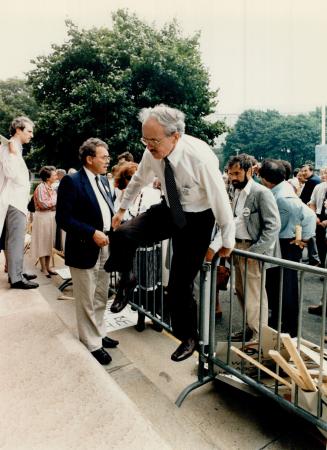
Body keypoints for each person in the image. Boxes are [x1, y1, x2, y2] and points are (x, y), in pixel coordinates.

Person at [104, 104, 235, 362]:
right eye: (145, 139)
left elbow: (221, 201)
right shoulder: (151, 151)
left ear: (175, 136)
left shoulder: (200, 158)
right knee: (121, 234)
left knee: (178, 285)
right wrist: (121, 210)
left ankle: (188, 337)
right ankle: (127, 280)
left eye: (154, 140)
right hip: (170, 208)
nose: (149, 145)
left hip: (198, 218)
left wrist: (226, 241)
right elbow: (139, 179)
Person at [56, 138, 118, 365]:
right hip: (84, 247)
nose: (108, 160)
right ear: (90, 159)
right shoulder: (72, 182)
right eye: (104, 157)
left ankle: (99, 332)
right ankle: (92, 343)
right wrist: (91, 232)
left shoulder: (103, 181)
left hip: (105, 245)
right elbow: (63, 218)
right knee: (86, 298)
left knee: (101, 294)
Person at [227, 154, 281, 342]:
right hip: (238, 249)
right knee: (242, 292)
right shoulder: (236, 191)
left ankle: (259, 337)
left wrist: (255, 252)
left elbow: (273, 225)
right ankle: (251, 328)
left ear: (250, 170)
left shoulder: (261, 193)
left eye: (237, 173)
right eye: (230, 173)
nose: (233, 177)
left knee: (255, 297)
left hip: (252, 250)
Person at [260, 159, 316, 336]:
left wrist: (304, 238)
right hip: (284, 242)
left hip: (287, 245)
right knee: (279, 286)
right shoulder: (281, 190)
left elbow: (309, 216)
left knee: (286, 287)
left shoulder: (283, 196)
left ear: (265, 179)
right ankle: (280, 321)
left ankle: (288, 326)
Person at [0, 116, 38, 289]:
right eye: (29, 131)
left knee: (14, 240)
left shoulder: (15, 147)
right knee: (16, 240)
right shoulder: (10, 148)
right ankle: (16, 278)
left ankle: (17, 271)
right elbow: (11, 173)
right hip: (13, 202)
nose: (31, 135)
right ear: (18, 130)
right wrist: (14, 154)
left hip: (16, 201)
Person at [30, 166, 58, 277]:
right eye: (54, 174)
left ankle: (48, 266)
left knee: (49, 241)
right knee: (42, 241)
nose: (56, 176)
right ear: (47, 177)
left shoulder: (51, 187)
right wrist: (54, 203)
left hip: (50, 216)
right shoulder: (41, 187)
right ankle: (43, 267)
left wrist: (53, 204)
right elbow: (43, 204)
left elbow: (52, 202)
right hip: (42, 217)